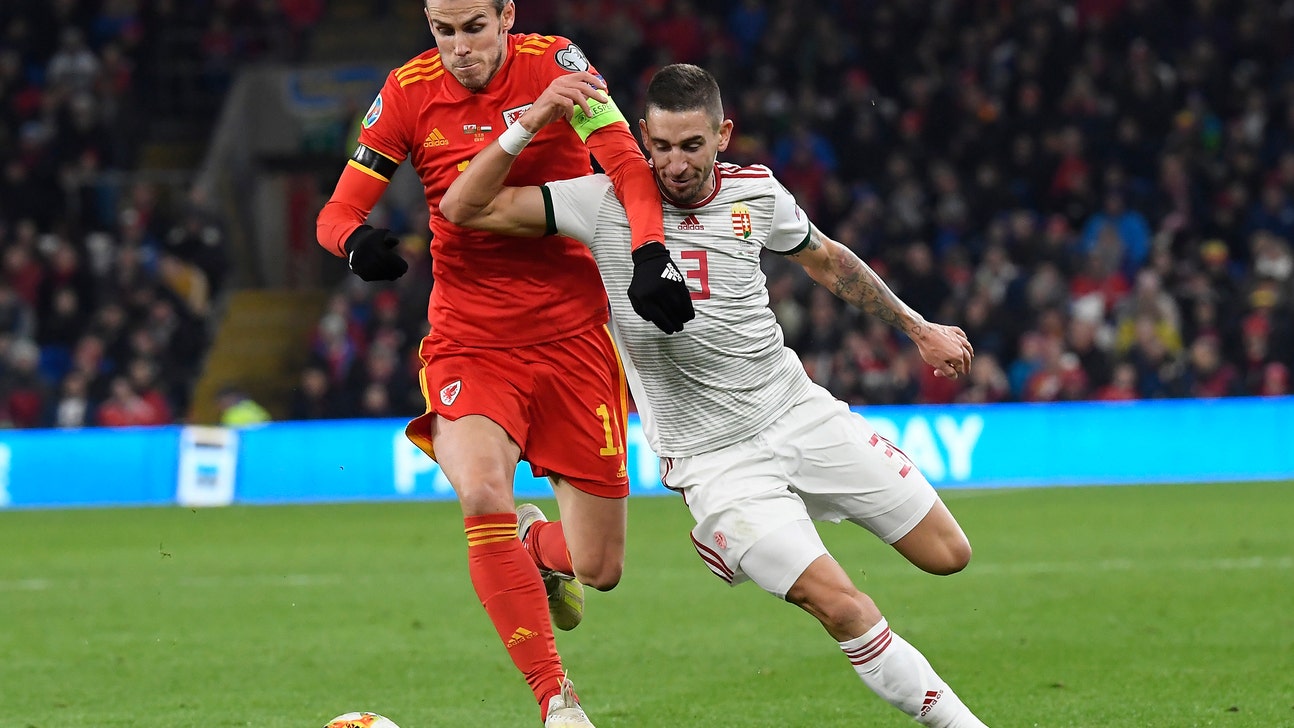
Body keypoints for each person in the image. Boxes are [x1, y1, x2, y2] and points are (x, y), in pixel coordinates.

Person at [440, 63, 991, 727]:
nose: (674, 164)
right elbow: (464, 208)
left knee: (948, 555)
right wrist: (532, 120)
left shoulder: (756, 194)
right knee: (843, 606)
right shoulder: (602, 200)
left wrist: (917, 327)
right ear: (642, 136)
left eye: (691, 146)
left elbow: (826, 259)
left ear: (723, 135)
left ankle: (733, 543)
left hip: (798, 412)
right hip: (716, 462)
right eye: (662, 147)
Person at [313, 3, 694, 727]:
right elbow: (336, 212)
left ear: (506, 17)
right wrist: (355, 244)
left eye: (474, 29)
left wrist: (649, 252)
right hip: (470, 340)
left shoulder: (556, 65)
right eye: (444, 31)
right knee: (481, 491)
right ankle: (559, 701)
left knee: (598, 569)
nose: (460, 49)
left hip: (574, 342)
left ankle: (532, 541)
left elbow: (627, 167)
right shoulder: (406, 91)